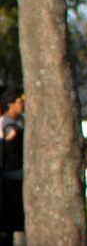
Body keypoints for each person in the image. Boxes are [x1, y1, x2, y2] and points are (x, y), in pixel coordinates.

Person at [0, 87, 25, 246]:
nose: (23, 104)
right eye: (20, 101)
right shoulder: (7, 125)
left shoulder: (21, 121)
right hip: (10, 177)